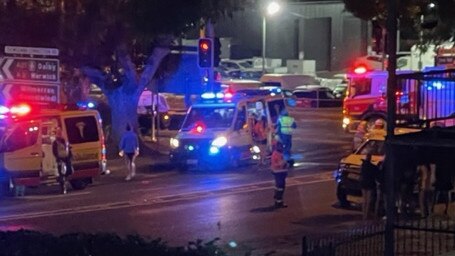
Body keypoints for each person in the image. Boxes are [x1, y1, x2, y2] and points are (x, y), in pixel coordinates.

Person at [52, 127, 73, 194]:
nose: (60, 134)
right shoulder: (55, 142)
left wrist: (70, 156)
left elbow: (68, 149)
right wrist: (58, 158)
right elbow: (54, 151)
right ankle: (62, 187)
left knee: (69, 171)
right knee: (61, 174)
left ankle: (64, 182)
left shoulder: (65, 141)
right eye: (59, 133)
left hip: (66, 158)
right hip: (60, 159)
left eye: (61, 132)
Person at [270, 141, 289, 209]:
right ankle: (278, 202)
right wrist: (282, 163)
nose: (282, 147)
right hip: (278, 173)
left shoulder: (280, 153)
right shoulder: (276, 154)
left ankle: (279, 201)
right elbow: (275, 164)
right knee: (280, 188)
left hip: (282, 172)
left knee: (280, 187)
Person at [360, 153, 378, 220]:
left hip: (364, 183)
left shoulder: (363, 166)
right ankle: (366, 215)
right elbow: (376, 173)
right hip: (369, 184)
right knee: (368, 200)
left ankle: (364, 214)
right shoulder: (372, 167)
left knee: (364, 199)